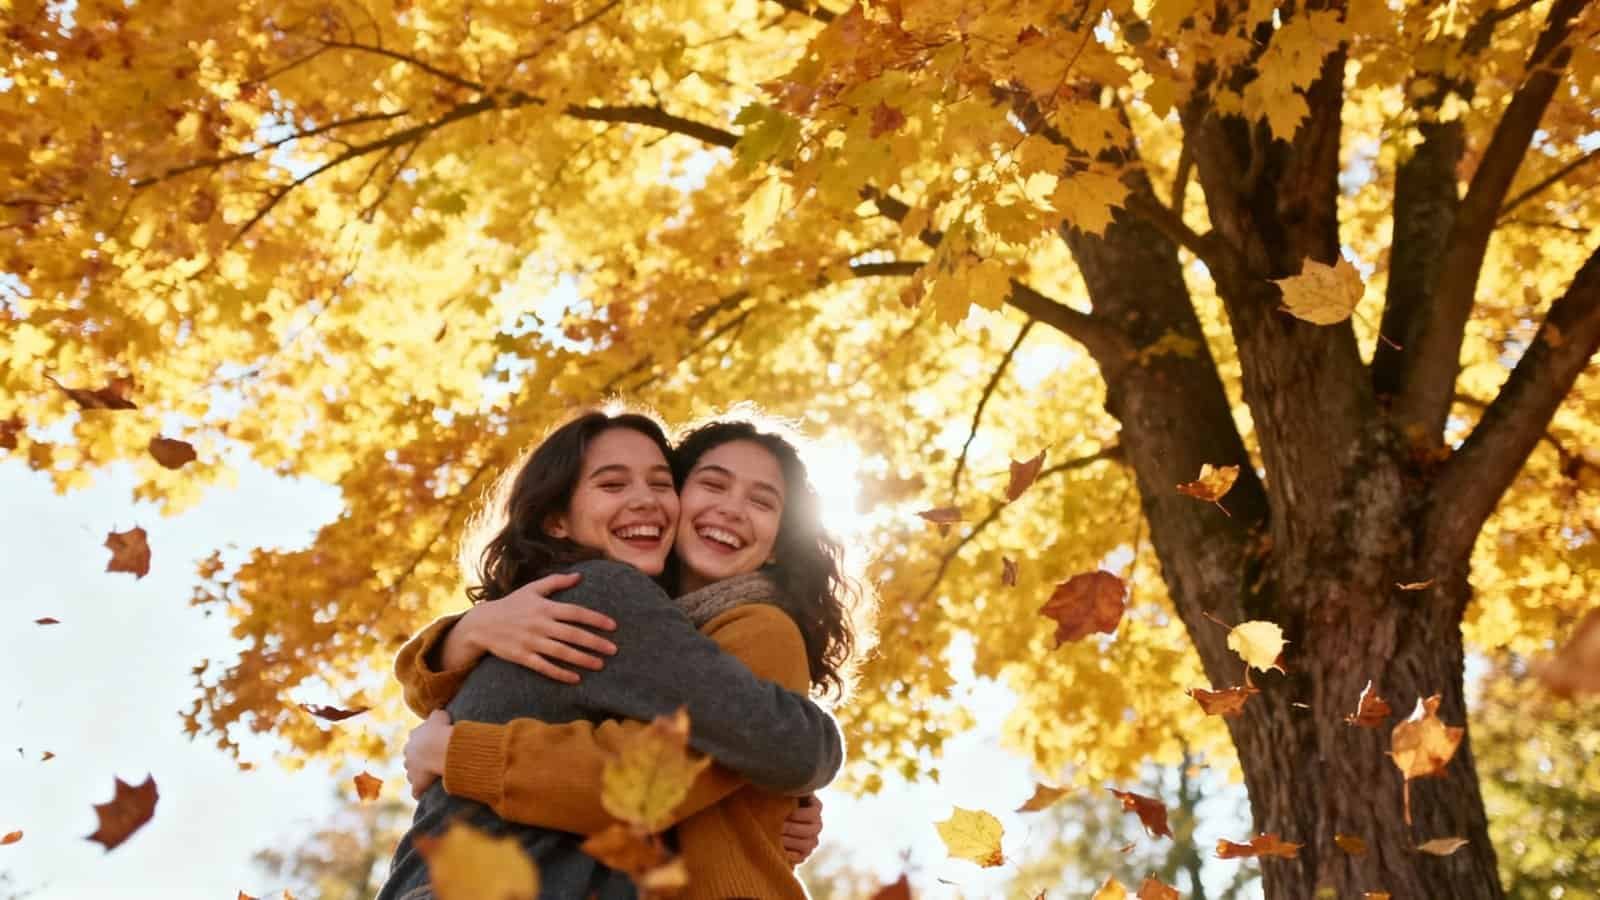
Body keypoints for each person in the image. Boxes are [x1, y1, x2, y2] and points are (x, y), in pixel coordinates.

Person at [375, 411, 850, 900]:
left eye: (762, 501)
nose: (644, 500)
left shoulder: (751, 626)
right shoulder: (605, 594)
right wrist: (467, 633)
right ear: (557, 520)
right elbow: (777, 745)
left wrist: (454, 749)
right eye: (612, 485)